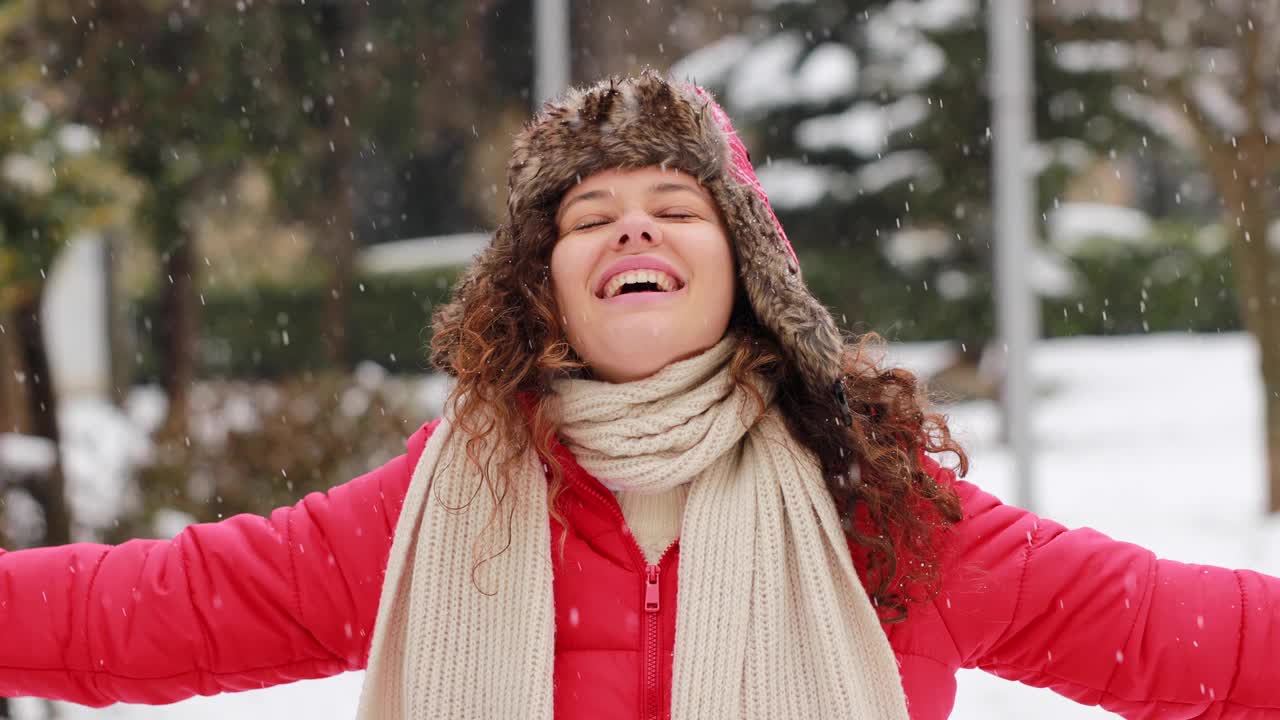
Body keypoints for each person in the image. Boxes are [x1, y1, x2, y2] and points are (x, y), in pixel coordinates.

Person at [1, 72, 1277, 720]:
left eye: (673, 207)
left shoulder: (875, 509)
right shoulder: (445, 503)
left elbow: (1172, 634)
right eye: (586, 217)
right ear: (538, 288)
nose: (630, 232)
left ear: (747, 274)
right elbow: (168, 611)